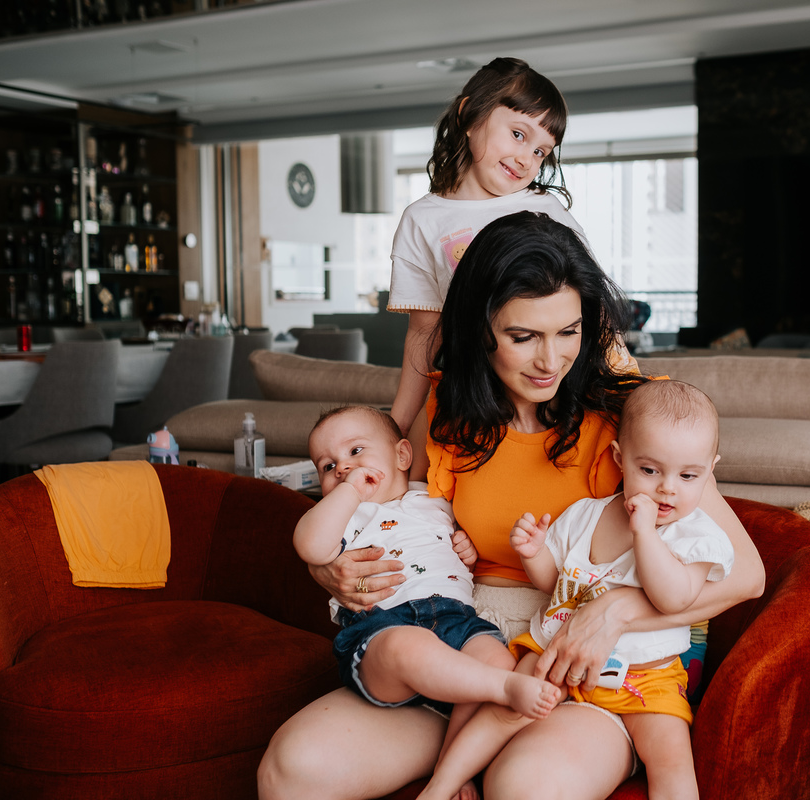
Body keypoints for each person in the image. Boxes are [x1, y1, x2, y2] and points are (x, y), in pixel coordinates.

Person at [258, 211, 765, 800]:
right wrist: (328, 569)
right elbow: (382, 511)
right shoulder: (446, 411)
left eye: (569, 331)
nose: (551, 361)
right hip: (458, 648)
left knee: (524, 788)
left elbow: (747, 576)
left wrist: (617, 611)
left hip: (577, 665)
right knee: (292, 770)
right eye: (523, 337)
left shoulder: (636, 419)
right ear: (480, 330)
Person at [418, 380, 734, 800]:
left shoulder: (696, 535)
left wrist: (645, 534)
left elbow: (673, 599)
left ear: (710, 471)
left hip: (646, 678)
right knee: (502, 711)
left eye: (688, 475)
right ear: (620, 459)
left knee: (673, 762)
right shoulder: (586, 514)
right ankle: (441, 785)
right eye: (650, 470)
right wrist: (534, 553)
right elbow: (555, 583)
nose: (667, 488)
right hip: (556, 648)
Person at [386, 57, 636, 440]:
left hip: (564, 395)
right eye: (518, 135)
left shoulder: (546, 210)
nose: (525, 159)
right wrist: (397, 426)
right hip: (482, 396)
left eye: (540, 152)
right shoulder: (421, 220)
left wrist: (630, 397)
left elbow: (593, 307)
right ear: (469, 115)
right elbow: (424, 334)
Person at [294, 406, 562, 753]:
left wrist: (465, 549)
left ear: (402, 456)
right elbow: (310, 545)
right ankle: (503, 687)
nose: (343, 468)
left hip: (456, 618)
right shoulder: (343, 515)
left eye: (355, 451)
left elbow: (450, 541)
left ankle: (455, 761)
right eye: (328, 467)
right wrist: (349, 492)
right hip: (383, 628)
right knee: (406, 647)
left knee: (495, 658)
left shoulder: (431, 498)